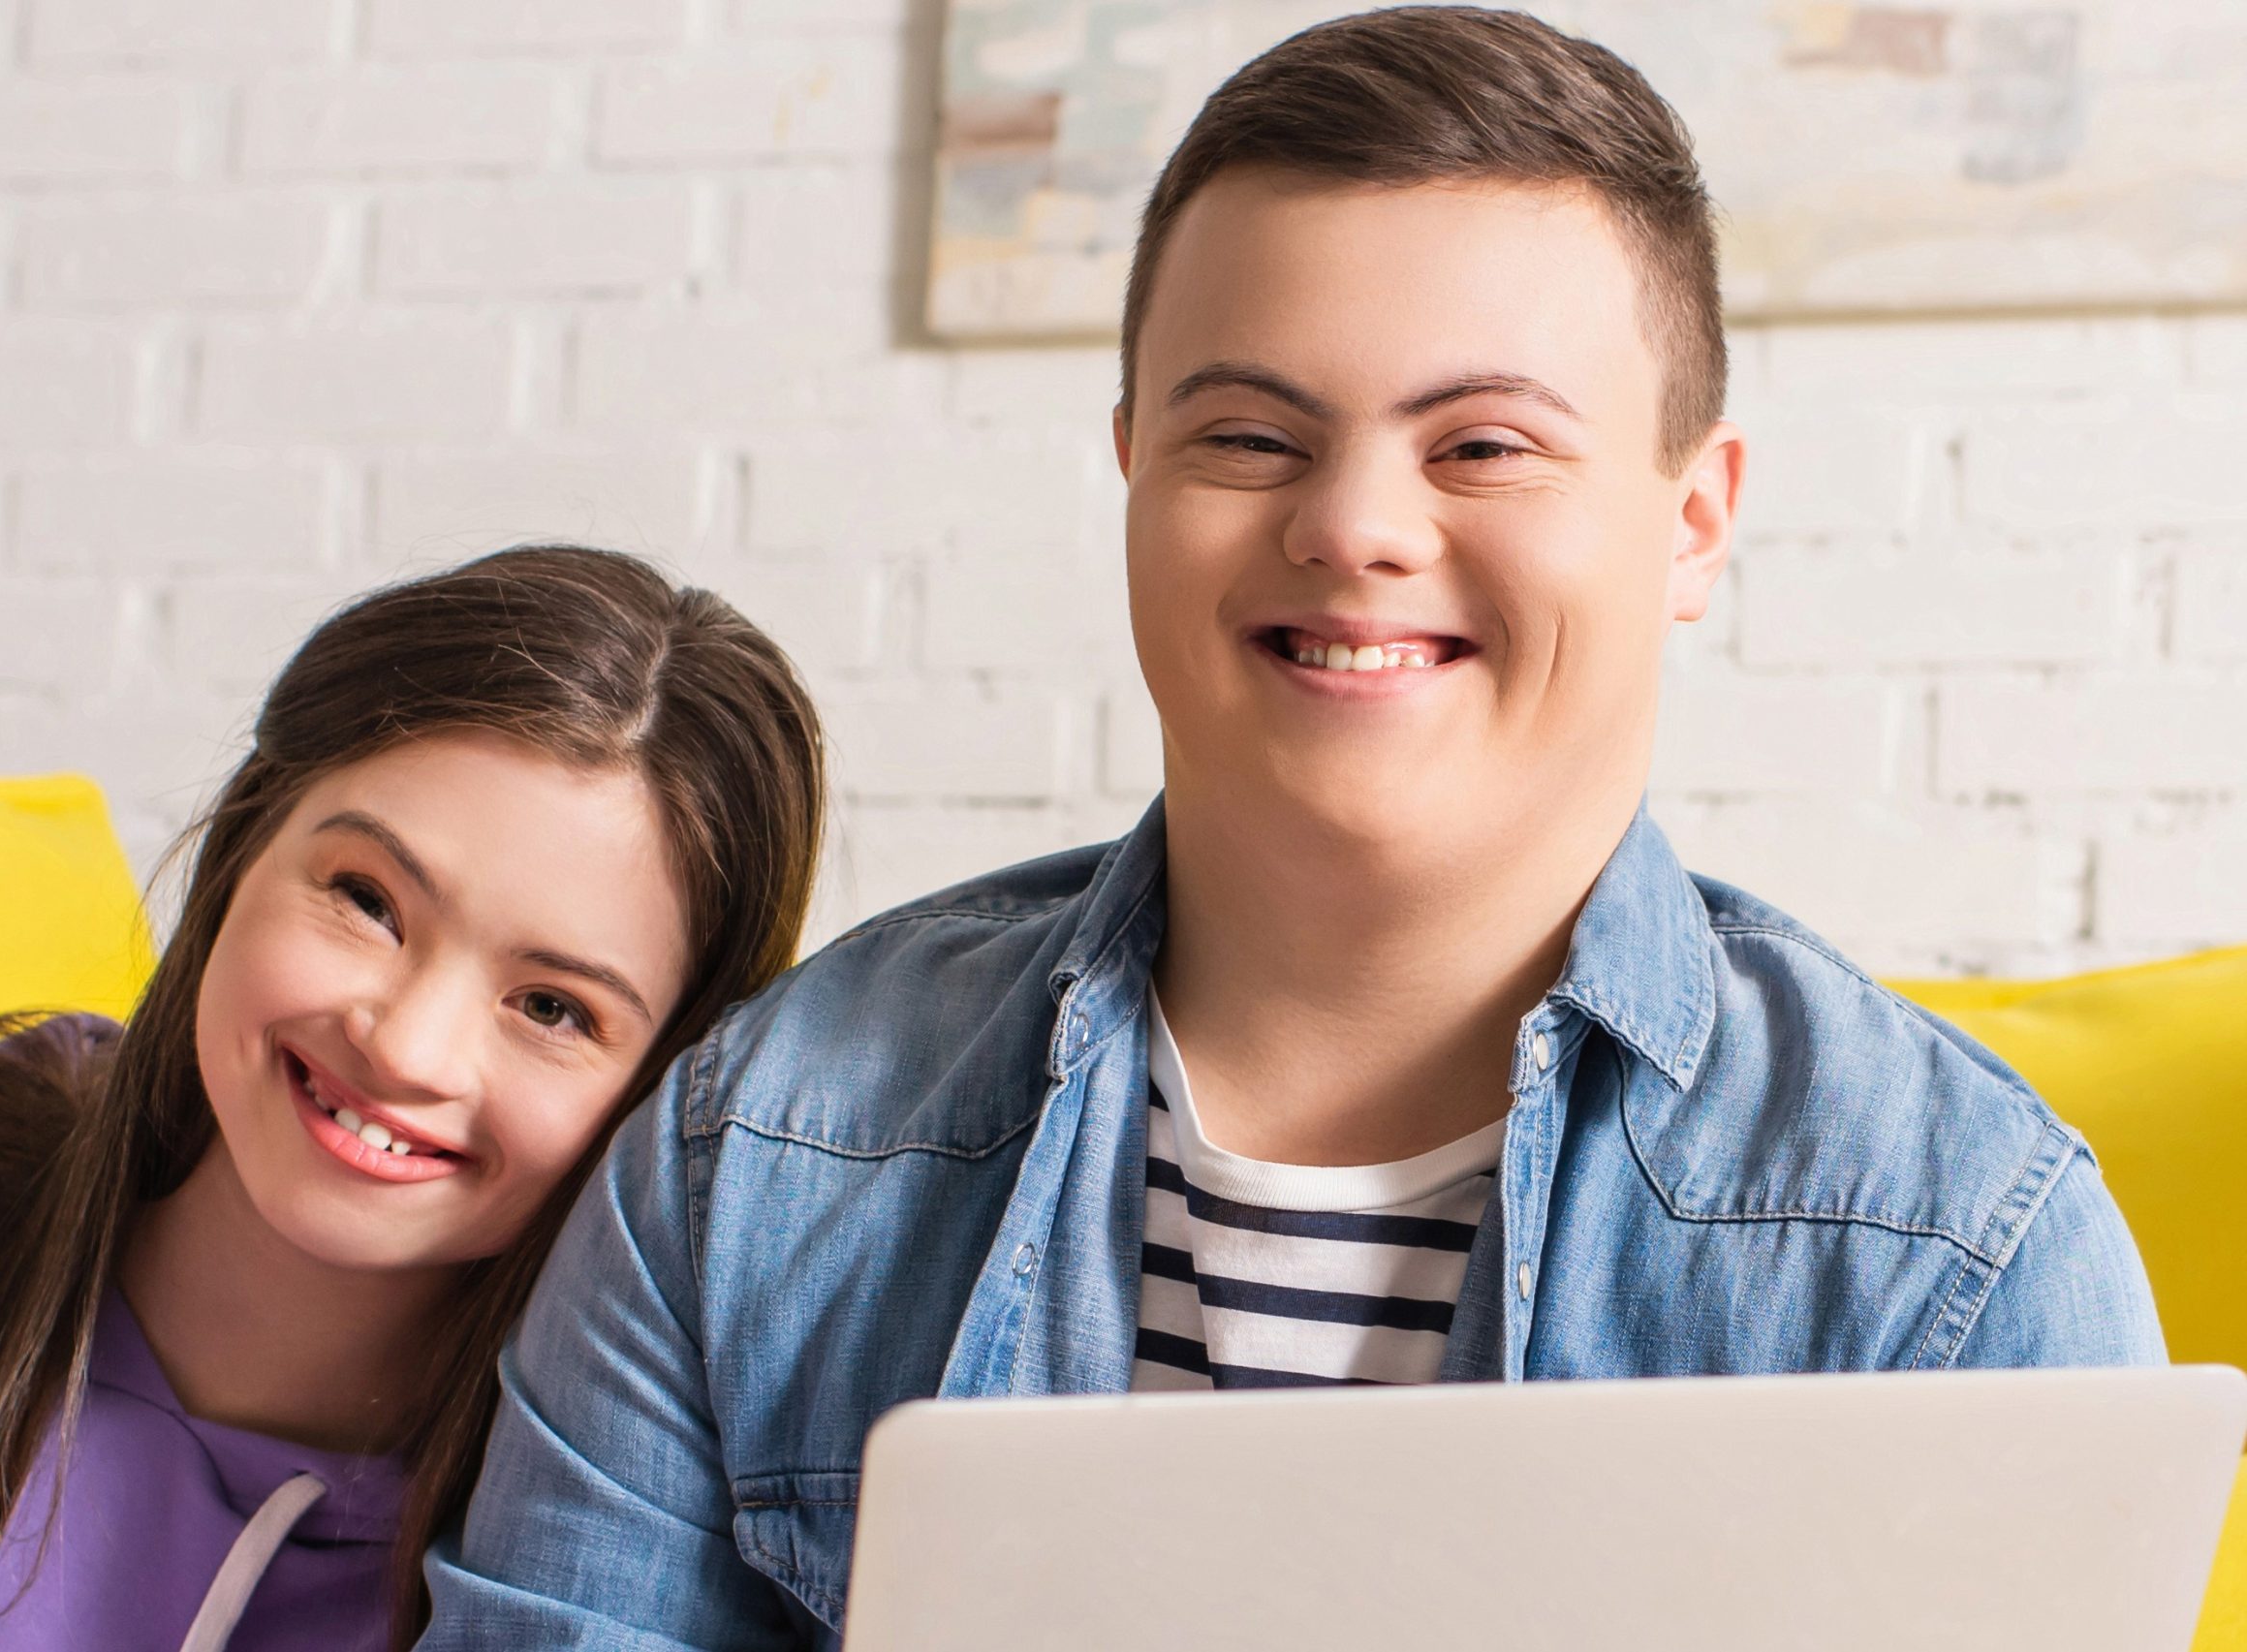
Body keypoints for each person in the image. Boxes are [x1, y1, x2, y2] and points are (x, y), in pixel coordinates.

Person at [421, 9, 2163, 1646]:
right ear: (1133, 475)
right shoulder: (752, 1157)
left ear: (1694, 521)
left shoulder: (1959, 1249)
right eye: (1252, 435)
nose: (1352, 527)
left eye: (1480, 447)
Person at [0, 545, 825, 1652]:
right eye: (366, 900)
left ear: (665, 1085)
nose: (407, 1046)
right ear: (243, 847)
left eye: (552, 1008)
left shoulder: (606, 1565)